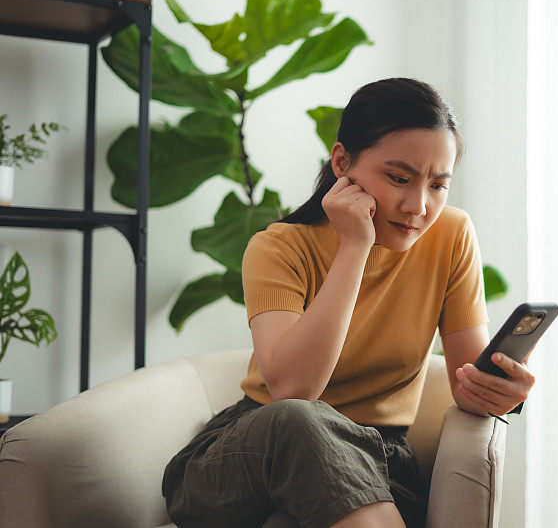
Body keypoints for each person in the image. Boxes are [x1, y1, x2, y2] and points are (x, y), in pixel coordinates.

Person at [161, 77, 535, 528]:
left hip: (378, 460)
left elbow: (464, 383)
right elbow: (293, 391)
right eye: (399, 178)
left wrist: (499, 390)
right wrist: (355, 247)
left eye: (438, 185)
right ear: (342, 162)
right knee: (298, 420)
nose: (418, 205)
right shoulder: (278, 247)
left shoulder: (451, 236)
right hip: (255, 453)